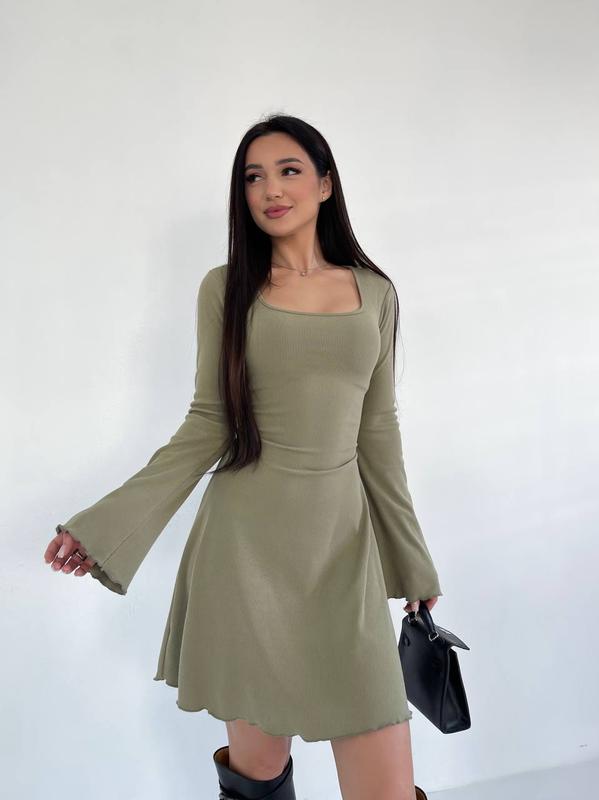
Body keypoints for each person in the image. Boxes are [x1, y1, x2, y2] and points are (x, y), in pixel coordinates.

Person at [44, 114, 442, 800]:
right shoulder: (226, 288)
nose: (270, 189)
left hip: (342, 551)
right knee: (258, 774)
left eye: (289, 171)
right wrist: (103, 528)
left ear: (325, 183)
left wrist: (411, 560)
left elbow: (378, 431)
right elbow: (208, 423)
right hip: (246, 554)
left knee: (383, 773)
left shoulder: (375, 293)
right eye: (253, 177)